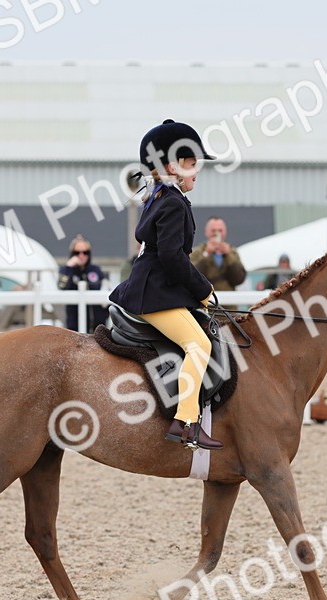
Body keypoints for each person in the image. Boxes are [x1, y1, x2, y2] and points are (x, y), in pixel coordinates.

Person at [108, 119, 222, 450]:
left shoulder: (158, 194)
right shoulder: (172, 202)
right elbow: (173, 258)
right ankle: (186, 421)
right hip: (154, 292)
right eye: (191, 163)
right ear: (172, 166)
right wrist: (204, 291)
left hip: (153, 286)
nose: (197, 170)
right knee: (200, 345)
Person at [57, 235, 106, 332]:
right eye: (77, 253)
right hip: (74, 325)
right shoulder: (66, 270)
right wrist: (69, 267)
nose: (81, 255)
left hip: (97, 326)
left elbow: (105, 290)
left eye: (85, 252)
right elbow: (61, 286)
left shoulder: (96, 270)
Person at [190, 217, 246, 292]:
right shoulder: (196, 252)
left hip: (228, 300)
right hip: (205, 300)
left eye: (220, 230)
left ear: (225, 232)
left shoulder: (232, 252)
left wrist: (228, 256)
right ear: (206, 232)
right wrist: (207, 254)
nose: (216, 234)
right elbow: (193, 277)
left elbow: (239, 279)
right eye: (213, 230)